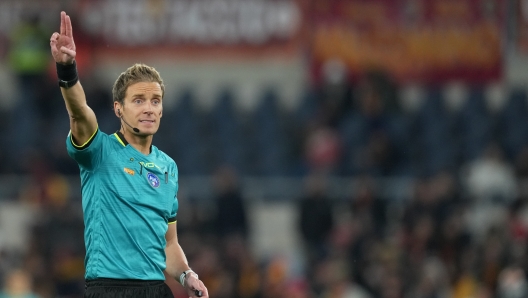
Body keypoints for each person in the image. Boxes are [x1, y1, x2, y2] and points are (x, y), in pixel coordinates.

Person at [49, 11, 209, 298]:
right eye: (138, 100)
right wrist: (67, 70)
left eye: (155, 101)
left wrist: (187, 275)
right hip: (109, 288)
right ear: (118, 108)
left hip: (157, 290)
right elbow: (80, 113)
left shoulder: (168, 167)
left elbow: (169, 244)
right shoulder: (99, 151)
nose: (148, 108)